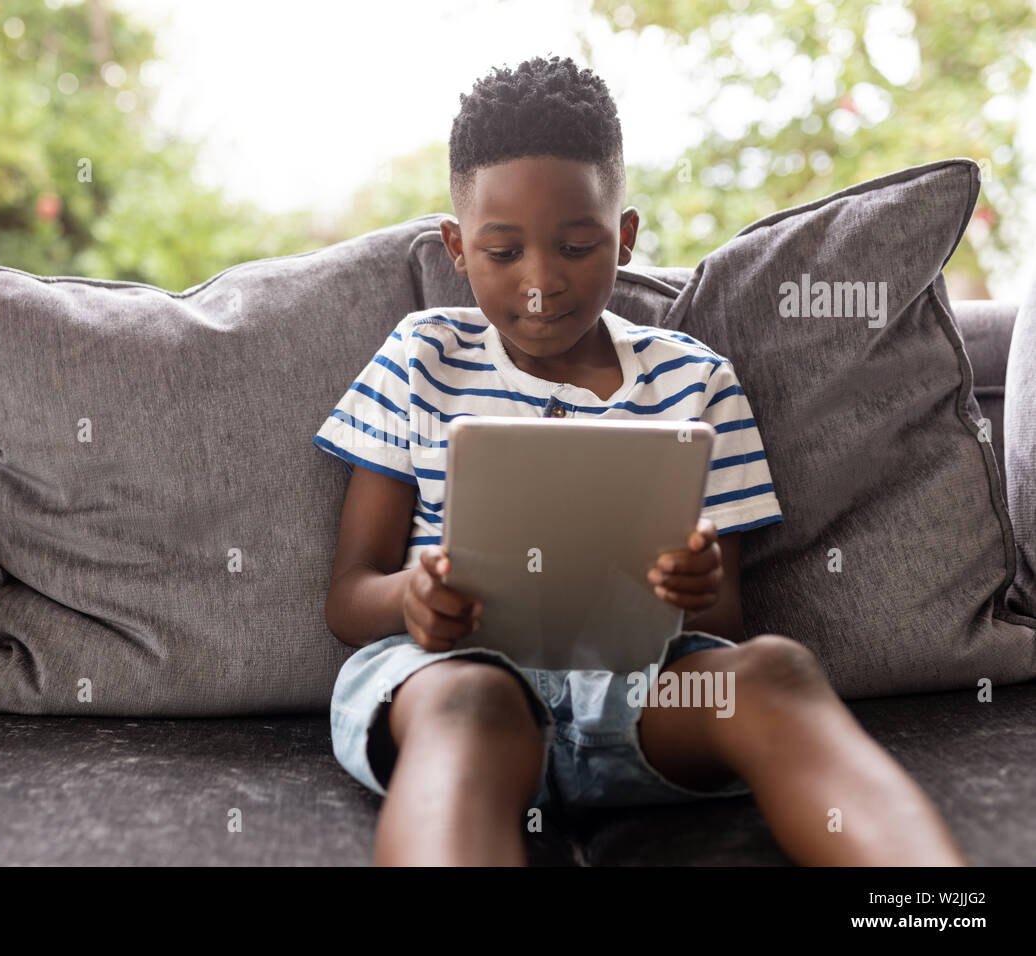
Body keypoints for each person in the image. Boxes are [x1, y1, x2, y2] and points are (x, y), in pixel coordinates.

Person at [312, 54, 968, 867]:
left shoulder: (696, 382)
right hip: (450, 677)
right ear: (456, 246)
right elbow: (348, 596)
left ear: (624, 238)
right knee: (475, 702)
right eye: (504, 252)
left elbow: (719, 620)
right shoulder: (422, 357)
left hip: (641, 691)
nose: (543, 284)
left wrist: (689, 590)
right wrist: (411, 598)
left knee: (773, 670)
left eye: (577, 245)